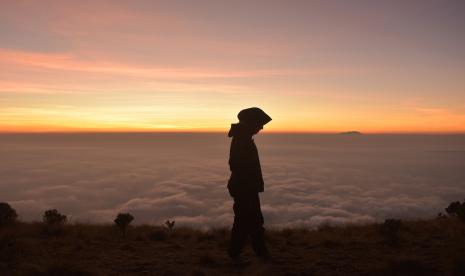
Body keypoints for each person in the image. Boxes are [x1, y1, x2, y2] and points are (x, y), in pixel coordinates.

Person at [227, 107, 272, 263]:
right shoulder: (242, 140)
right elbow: (237, 165)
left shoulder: (243, 138)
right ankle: (253, 253)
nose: (261, 127)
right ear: (251, 123)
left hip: (245, 187)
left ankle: (256, 252)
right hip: (244, 188)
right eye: (259, 123)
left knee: (250, 220)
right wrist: (250, 185)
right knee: (248, 220)